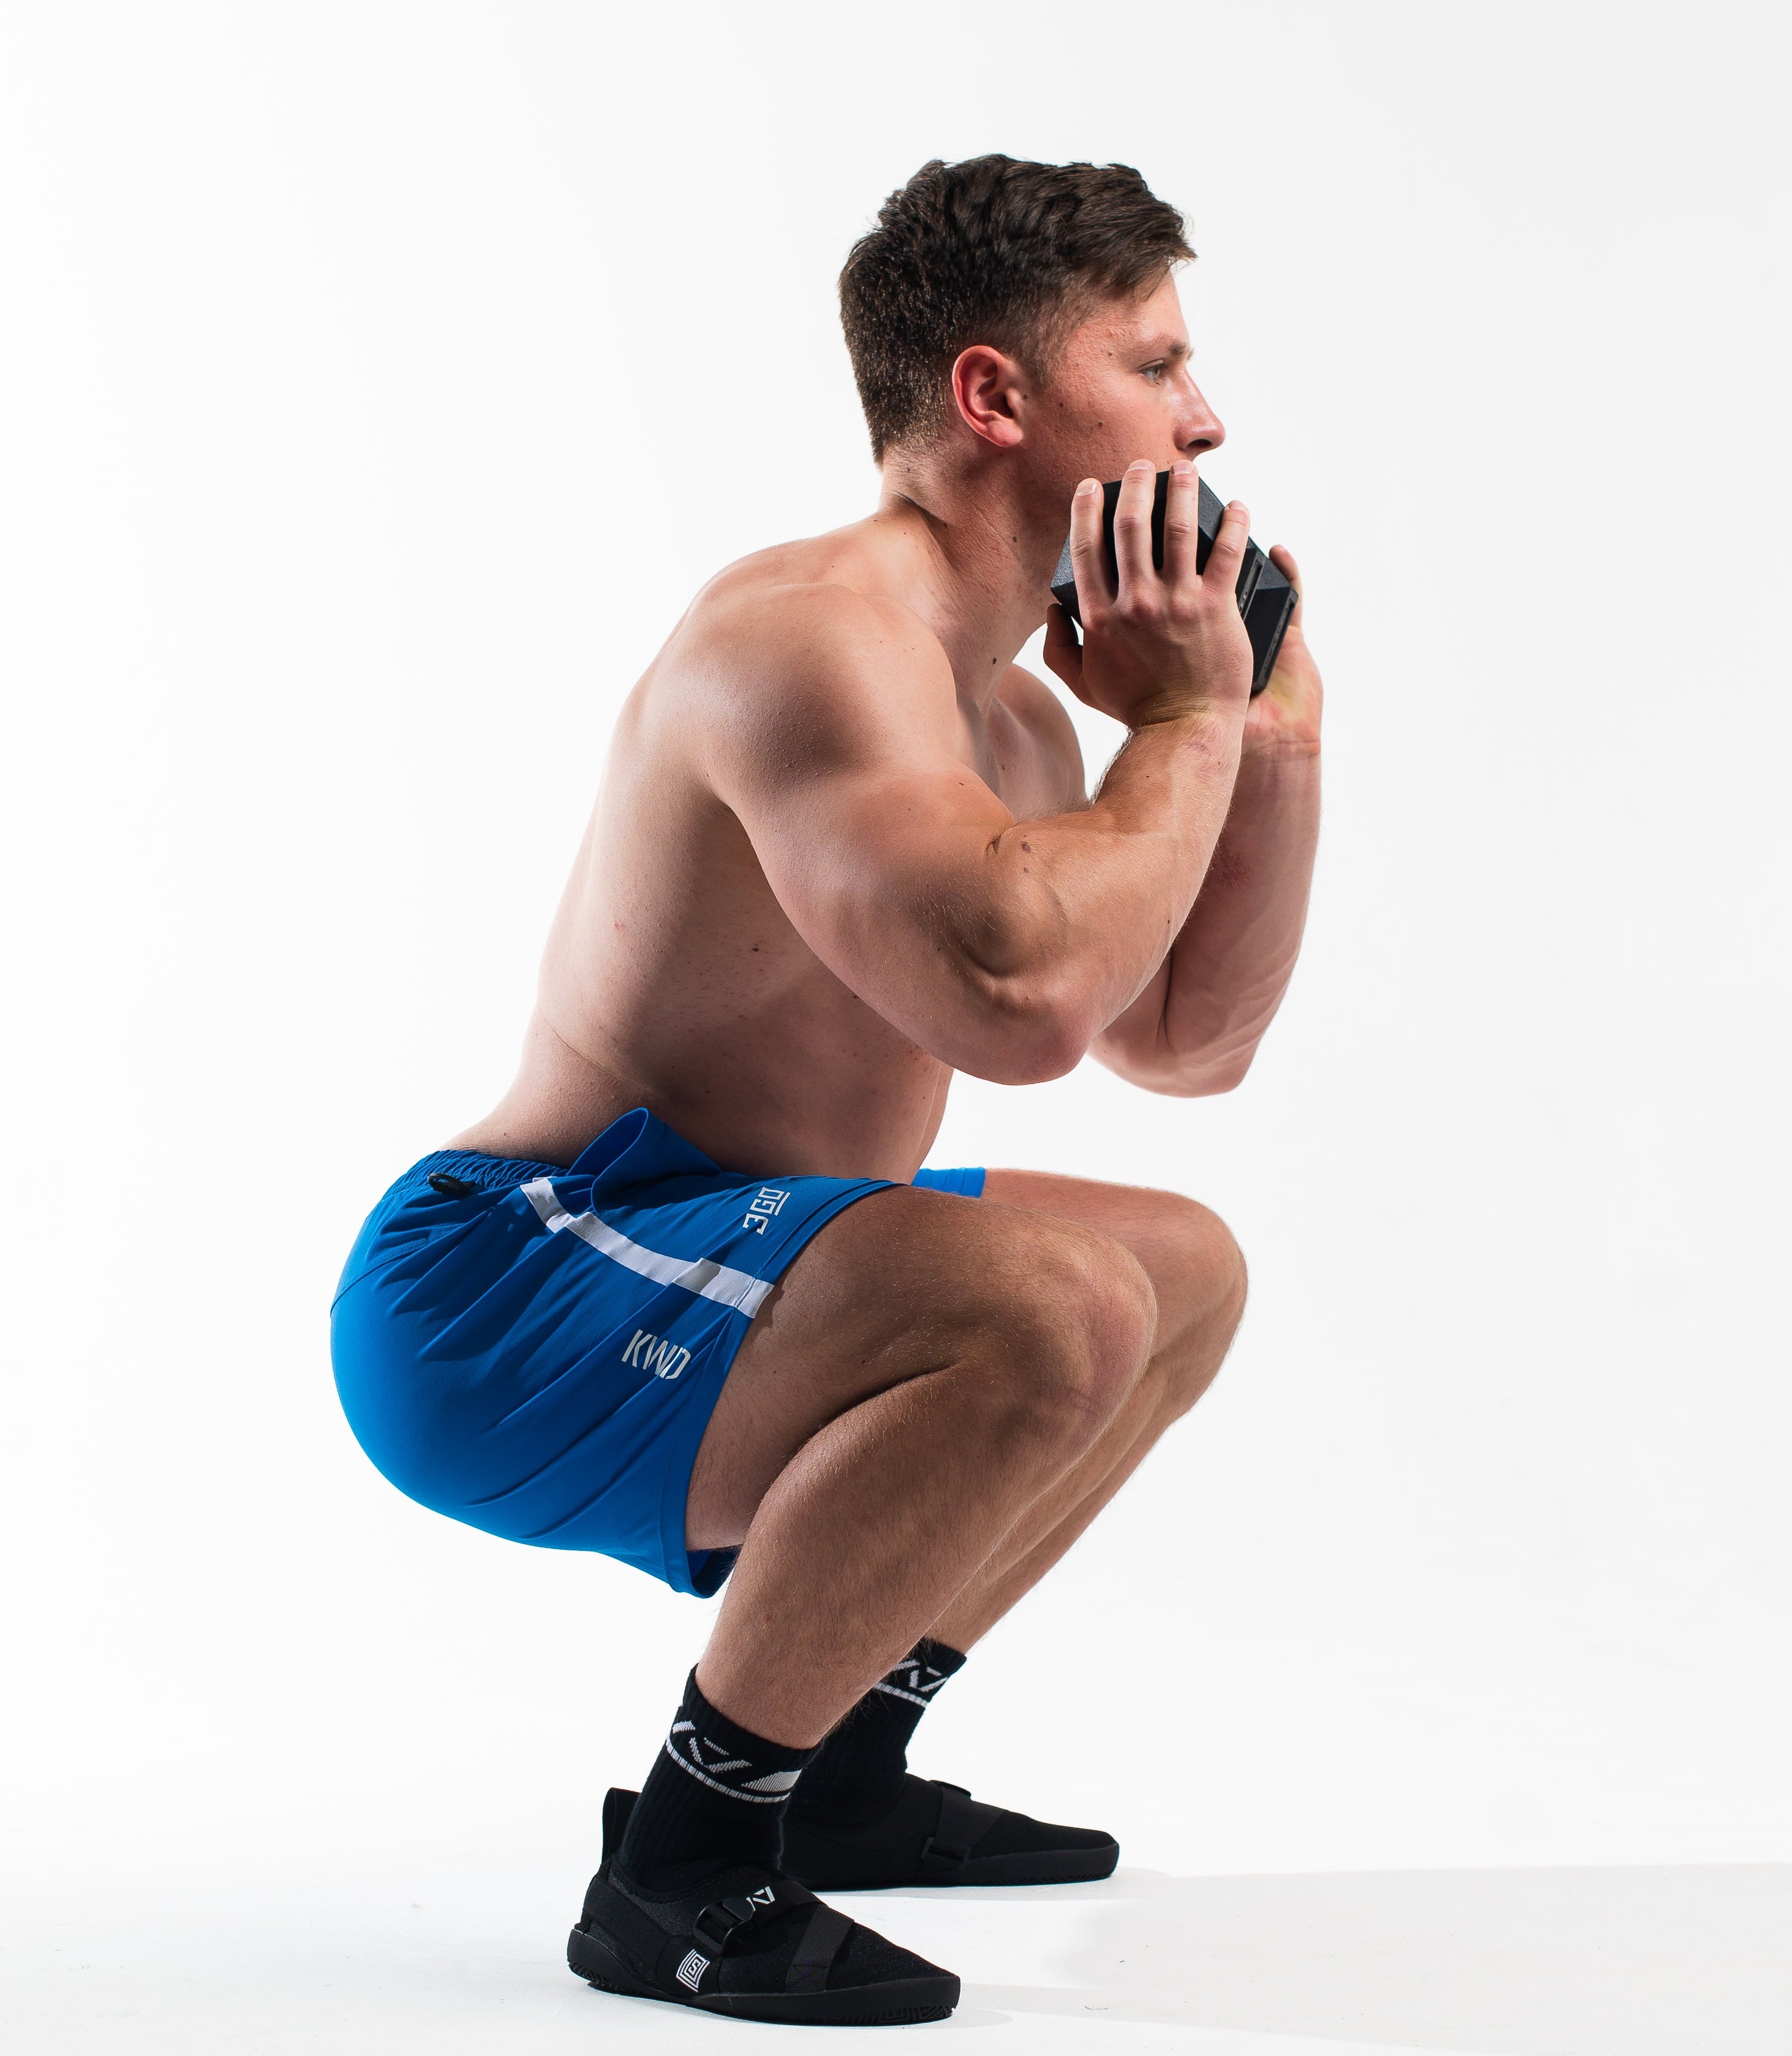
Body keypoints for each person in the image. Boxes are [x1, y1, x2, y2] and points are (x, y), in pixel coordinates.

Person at [330, 152, 1323, 2026]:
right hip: (514, 1276)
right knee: (1058, 1305)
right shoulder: (805, 640)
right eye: (1154, 364)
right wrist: (1185, 723)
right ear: (993, 396)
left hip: (732, 1248)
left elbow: (1185, 1043)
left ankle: (839, 1773)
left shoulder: (1008, 713)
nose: (1205, 420)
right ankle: (684, 1869)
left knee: (1180, 1271)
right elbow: (1023, 1007)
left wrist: (1265, 740)